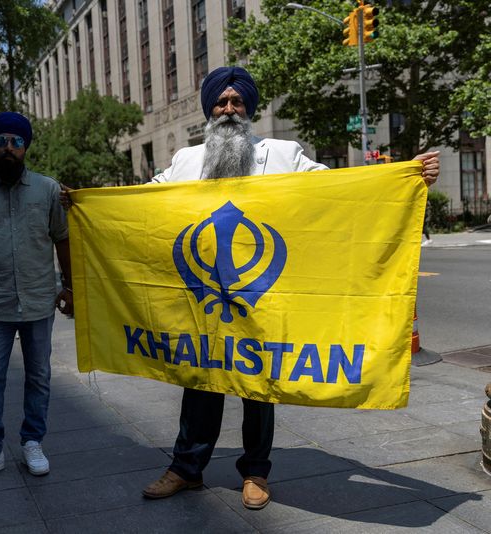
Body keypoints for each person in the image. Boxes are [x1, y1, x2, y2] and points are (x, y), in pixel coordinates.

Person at [139, 66, 439, 509]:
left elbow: (339, 189)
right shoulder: (186, 161)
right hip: (202, 298)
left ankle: (256, 472)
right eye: (221, 102)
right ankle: (186, 468)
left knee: (260, 384)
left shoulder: (282, 153)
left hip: (262, 295)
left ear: (249, 109)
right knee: (200, 378)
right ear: (209, 110)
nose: (228, 109)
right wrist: (86, 203)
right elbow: (142, 201)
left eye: (236, 102)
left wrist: (407, 176)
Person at [0, 111, 74, 483]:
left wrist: (69, 286)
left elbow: (63, 239)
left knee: (39, 376)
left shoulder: (49, 190)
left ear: (26, 146)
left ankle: (32, 442)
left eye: (16, 142)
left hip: (39, 301)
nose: (9, 148)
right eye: (2, 141)